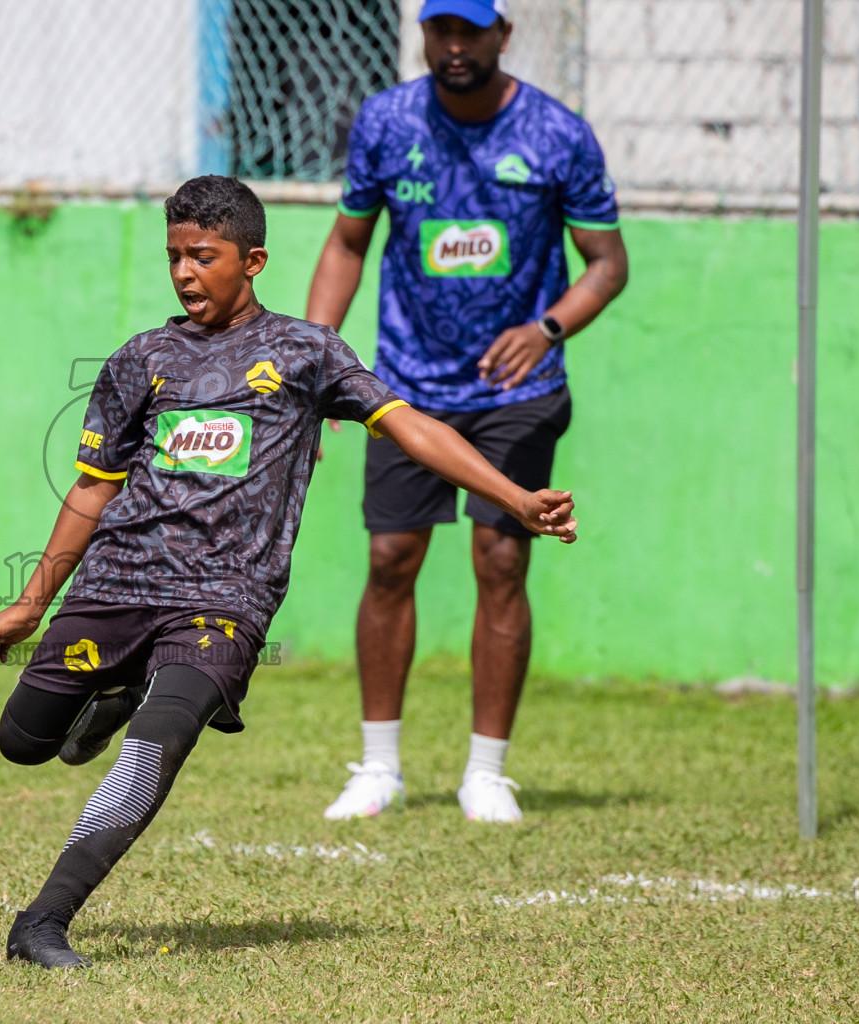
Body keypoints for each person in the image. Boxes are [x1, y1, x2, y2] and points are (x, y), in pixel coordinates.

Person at [0, 175, 578, 969]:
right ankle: (115, 689)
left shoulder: (305, 353)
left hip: (226, 599)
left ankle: (42, 923)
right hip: (118, 585)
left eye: (204, 256)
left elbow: (410, 427)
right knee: (22, 742)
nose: (185, 272)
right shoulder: (140, 360)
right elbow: (92, 490)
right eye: (174, 257)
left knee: (159, 743)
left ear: (252, 259)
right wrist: (29, 604)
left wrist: (514, 496)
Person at [306, 0, 628, 824]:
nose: (453, 46)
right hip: (405, 390)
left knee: (501, 560)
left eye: (470, 31)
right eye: (439, 30)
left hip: (516, 392)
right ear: (424, 36)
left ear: (502, 36)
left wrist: (547, 326)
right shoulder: (385, 121)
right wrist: (316, 363)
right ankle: (379, 766)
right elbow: (348, 243)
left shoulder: (558, 135)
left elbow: (606, 264)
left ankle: (487, 772)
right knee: (390, 559)